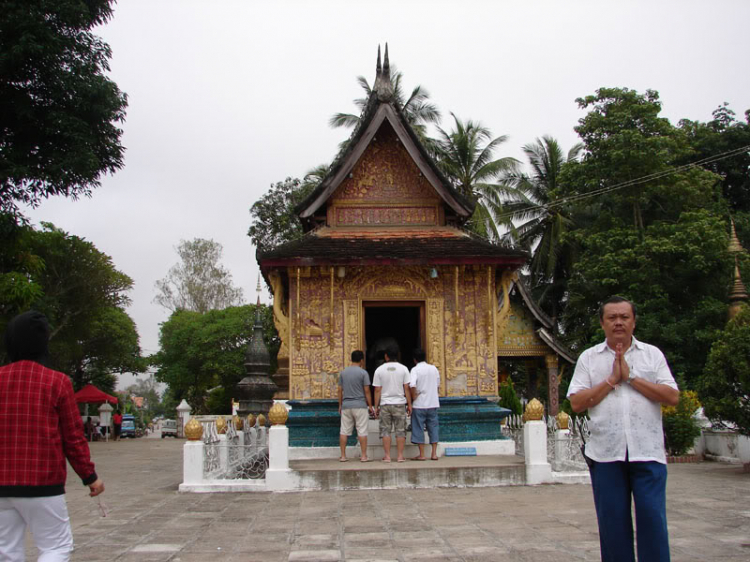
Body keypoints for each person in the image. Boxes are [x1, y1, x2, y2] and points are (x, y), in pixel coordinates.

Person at [567, 296, 679, 562]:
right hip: (606, 455)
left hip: (648, 453)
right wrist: (612, 380)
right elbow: (577, 403)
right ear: (603, 323)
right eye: (612, 318)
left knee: (653, 520)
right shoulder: (589, 358)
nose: (618, 322)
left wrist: (631, 378)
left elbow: (672, 396)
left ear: (634, 321)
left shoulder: (652, 355)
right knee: (612, 525)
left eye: (624, 317)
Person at [0, 310, 105, 561]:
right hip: (42, 483)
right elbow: (73, 438)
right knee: (55, 547)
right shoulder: (57, 382)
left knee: (6, 551)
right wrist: (90, 477)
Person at [372, 344, 412, 463]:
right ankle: (400, 456)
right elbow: (407, 388)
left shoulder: (379, 370)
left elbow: (377, 390)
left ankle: (387, 456)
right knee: (400, 430)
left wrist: (376, 406)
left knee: (385, 430)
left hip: (385, 404)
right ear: (397, 355)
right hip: (399, 403)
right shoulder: (404, 368)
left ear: (386, 356)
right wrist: (409, 404)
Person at [337, 350, 374, 462]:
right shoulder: (363, 373)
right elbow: (367, 391)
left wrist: (340, 404)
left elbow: (340, 390)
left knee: (344, 431)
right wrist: (370, 405)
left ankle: (343, 456)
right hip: (360, 405)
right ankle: (363, 456)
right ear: (361, 360)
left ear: (351, 359)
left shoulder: (343, 373)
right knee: (362, 431)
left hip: (346, 405)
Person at [408, 348, 440, 461]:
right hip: (432, 403)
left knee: (418, 428)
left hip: (419, 404)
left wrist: (413, 396)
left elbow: (412, 385)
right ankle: (434, 453)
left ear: (414, 359)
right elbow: (437, 384)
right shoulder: (434, 368)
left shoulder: (415, 370)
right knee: (433, 427)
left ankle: (422, 454)